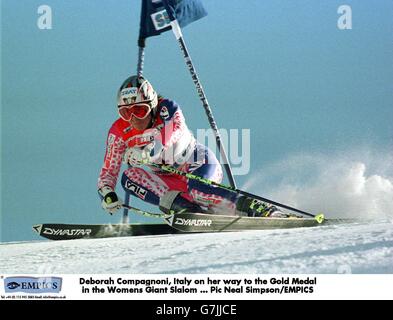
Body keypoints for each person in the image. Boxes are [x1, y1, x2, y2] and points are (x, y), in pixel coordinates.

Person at [97, 75, 283, 217]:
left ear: (152, 105)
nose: (133, 118)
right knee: (128, 177)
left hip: (196, 163)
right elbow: (109, 169)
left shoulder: (167, 108)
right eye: (125, 112)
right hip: (168, 179)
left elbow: (172, 133)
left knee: (198, 191)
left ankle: (257, 208)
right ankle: (187, 211)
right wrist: (107, 194)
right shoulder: (118, 131)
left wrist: (147, 153)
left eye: (139, 110)